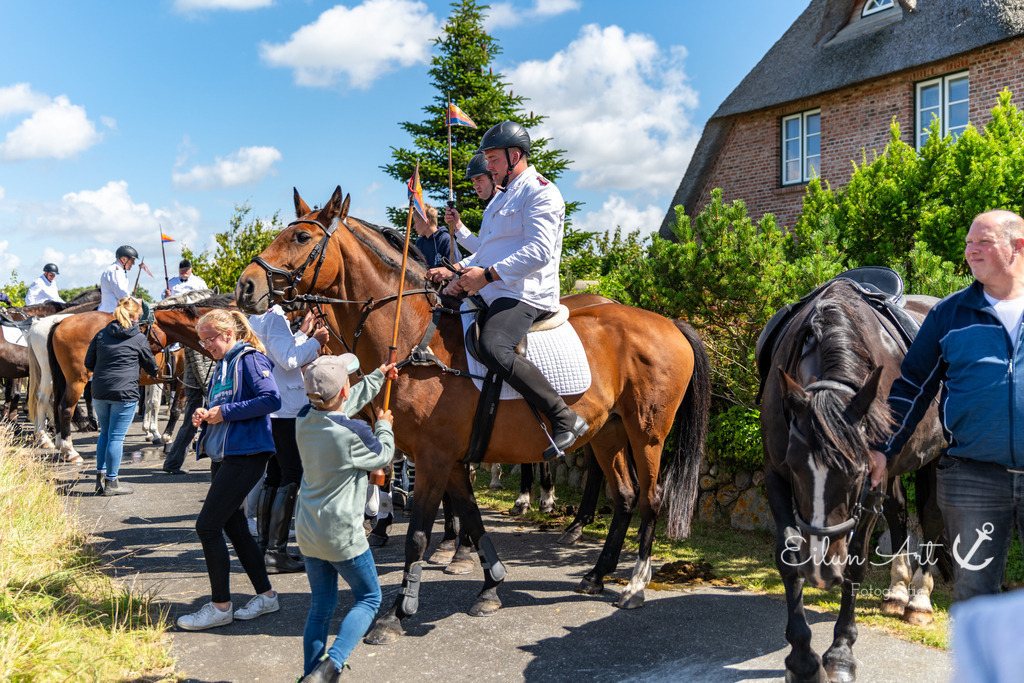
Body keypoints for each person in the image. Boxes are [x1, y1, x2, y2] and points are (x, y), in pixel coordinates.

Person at [869, 209, 1024, 603]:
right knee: (974, 593)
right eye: (969, 243)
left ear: (1017, 247)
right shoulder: (948, 314)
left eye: (983, 242)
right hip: (973, 478)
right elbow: (912, 387)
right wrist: (884, 449)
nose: (971, 251)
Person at [429, 121, 588, 460]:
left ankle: (564, 417)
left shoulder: (542, 192)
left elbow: (538, 252)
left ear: (515, 155)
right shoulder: (502, 198)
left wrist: (484, 276)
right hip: (495, 288)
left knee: (494, 346)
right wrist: (459, 275)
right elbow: (488, 250)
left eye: (493, 160)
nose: (488, 167)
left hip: (525, 293)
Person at [294, 353, 397, 682]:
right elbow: (382, 454)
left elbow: (341, 403)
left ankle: (312, 675)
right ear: (343, 392)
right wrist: (385, 426)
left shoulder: (303, 417)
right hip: (341, 534)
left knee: (321, 607)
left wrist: (378, 376)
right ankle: (332, 664)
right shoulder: (352, 433)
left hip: (308, 529)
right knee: (370, 598)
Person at [177, 309, 282, 631]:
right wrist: (206, 414)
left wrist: (225, 412)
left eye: (210, 339)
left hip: (246, 454)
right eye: (202, 340)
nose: (206, 346)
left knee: (207, 527)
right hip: (225, 454)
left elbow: (271, 399)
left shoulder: (249, 359)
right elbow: (224, 406)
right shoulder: (222, 365)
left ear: (228, 334)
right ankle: (266, 596)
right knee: (234, 527)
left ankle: (220, 606)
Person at [249, 306, 330, 573]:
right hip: (287, 406)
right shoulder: (273, 317)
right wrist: (316, 341)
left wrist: (303, 333)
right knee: (292, 475)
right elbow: (289, 360)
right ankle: (275, 551)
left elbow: (277, 349)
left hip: (273, 406)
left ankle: (264, 546)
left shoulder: (257, 317)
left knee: (274, 474)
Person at [84, 297, 159, 493]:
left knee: (105, 434)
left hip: (100, 391)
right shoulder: (139, 338)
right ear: (135, 316)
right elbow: (152, 366)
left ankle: (99, 478)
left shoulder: (101, 334)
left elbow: (88, 363)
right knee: (116, 438)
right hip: (125, 393)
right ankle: (112, 482)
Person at [160, 346, 214, 475]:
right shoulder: (195, 338)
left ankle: (172, 463)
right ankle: (172, 463)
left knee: (190, 426)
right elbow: (198, 365)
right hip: (198, 387)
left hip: (198, 385)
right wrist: (207, 389)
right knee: (190, 426)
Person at [441, 151, 492, 254]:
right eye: (473, 181)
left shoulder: (509, 203)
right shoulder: (491, 208)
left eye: (479, 180)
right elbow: (481, 251)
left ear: (493, 177)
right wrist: (457, 225)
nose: (475, 186)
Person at [99, 245, 138, 313]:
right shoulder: (116, 271)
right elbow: (122, 294)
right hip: (113, 310)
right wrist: (137, 302)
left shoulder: (117, 270)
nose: (133, 264)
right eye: (132, 260)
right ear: (123, 259)